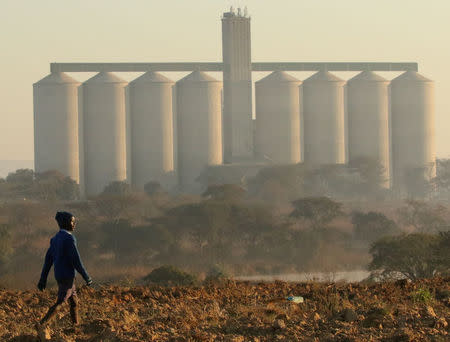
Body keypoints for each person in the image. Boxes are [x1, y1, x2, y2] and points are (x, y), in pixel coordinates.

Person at [37, 211, 92, 328]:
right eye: (72, 221)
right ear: (66, 223)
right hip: (67, 276)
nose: (74, 224)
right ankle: (42, 324)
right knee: (61, 302)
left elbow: (48, 261)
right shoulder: (69, 239)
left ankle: (75, 325)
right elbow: (76, 260)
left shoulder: (55, 239)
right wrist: (86, 276)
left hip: (60, 275)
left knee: (74, 302)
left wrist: (43, 279)